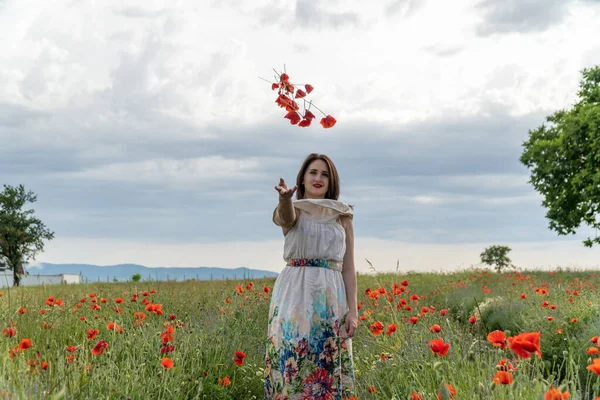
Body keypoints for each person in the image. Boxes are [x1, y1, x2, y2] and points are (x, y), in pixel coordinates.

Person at [264, 153, 358, 400]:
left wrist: (353, 311)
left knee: (327, 364)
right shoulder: (295, 209)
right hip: (295, 294)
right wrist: (285, 198)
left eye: (325, 174)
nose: (318, 178)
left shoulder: (343, 215)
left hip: (331, 295)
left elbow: (348, 266)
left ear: (332, 181)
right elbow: (284, 218)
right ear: (303, 179)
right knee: (294, 357)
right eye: (313, 172)